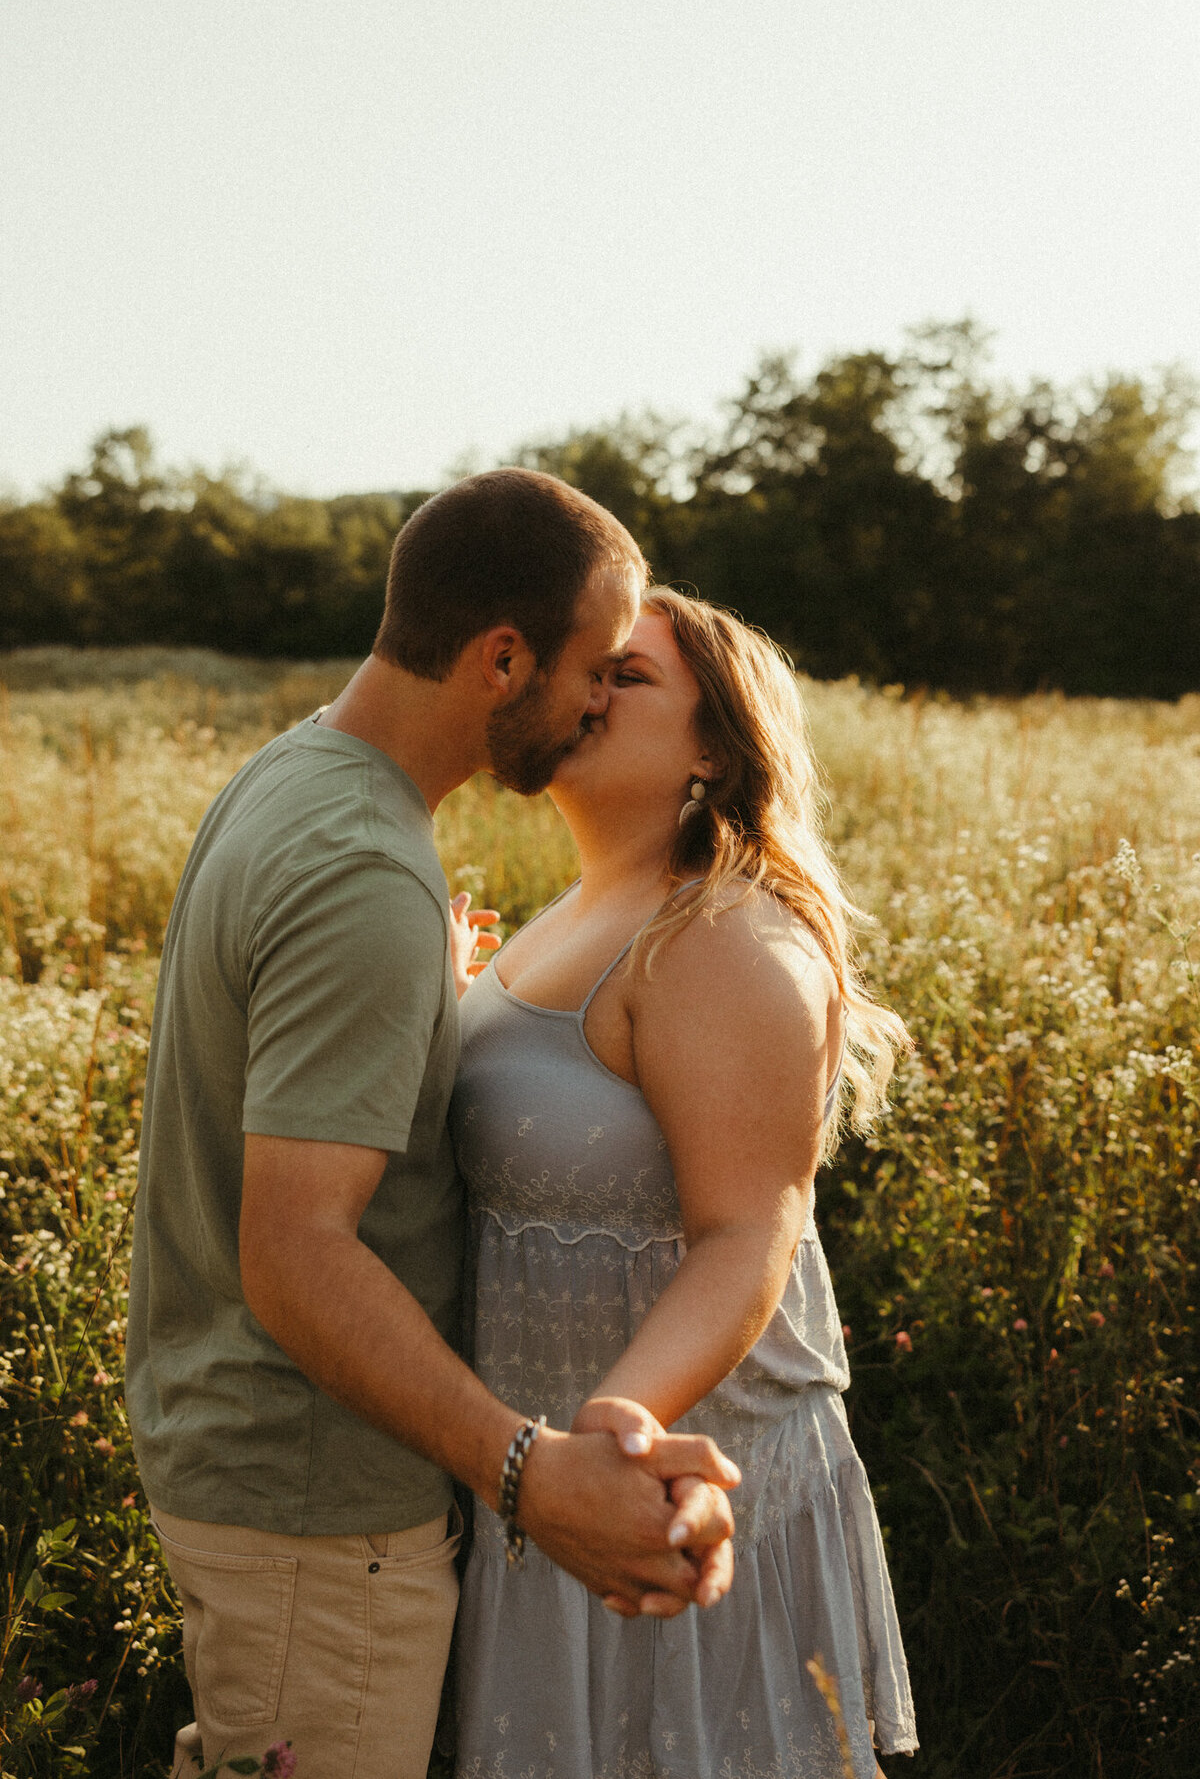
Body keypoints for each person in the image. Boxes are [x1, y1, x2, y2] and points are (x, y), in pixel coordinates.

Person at [124, 471, 741, 1779]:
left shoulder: (301, 776)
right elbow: (296, 1254)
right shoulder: (364, 866)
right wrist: (525, 1469)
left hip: (247, 1461)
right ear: (500, 657)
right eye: (592, 669)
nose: (593, 702)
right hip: (315, 1498)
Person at [449, 587, 919, 1779]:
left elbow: (749, 1224)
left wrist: (618, 1428)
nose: (586, 688)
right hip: (547, 1486)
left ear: (713, 746)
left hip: (678, 1487)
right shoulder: (570, 910)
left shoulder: (721, 934)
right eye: (587, 667)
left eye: (630, 675)